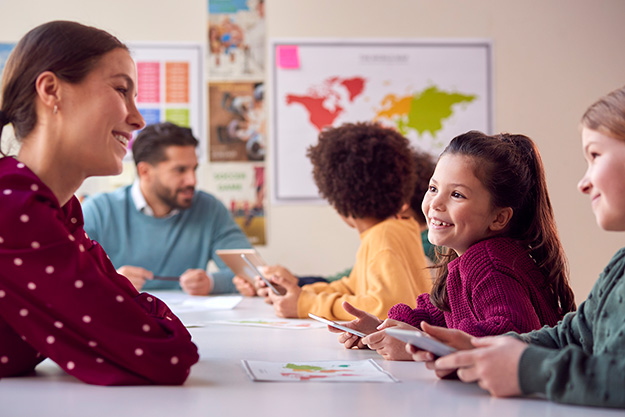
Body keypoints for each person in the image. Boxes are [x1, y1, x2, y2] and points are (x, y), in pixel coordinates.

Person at [0, 20, 198, 385]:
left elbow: (126, 317)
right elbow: (164, 354)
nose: (137, 120)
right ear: (51, 90)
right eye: (121, 90)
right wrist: (130, 308)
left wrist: (127, 308)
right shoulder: (12, 206)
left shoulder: (60, 208)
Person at [408, 86, 625, 408]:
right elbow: (571, 336)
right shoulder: (620, 264)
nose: (583, 182)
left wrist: (527, 368)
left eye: (595, 156)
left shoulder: (491, 260)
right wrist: (476, 349)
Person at [333, 130, 576, 361]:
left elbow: (509, 337)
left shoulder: (492, 264)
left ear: (499, 218)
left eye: (457, 194)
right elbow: (435, 315)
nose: (435, 203)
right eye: (433, 188)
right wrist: (382, 328)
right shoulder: (471, 260)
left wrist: (415, 346)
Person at [254, 122, 433, 320]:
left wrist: (306, 304)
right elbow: (352, 286)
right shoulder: (396, 229)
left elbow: (386, 308)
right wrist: (301, 293)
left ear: (338, 199)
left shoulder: (383, 237)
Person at [82, 121, 252, 295]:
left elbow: (252, 273)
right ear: (145, 172)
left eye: (194, 169)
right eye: (180, 170)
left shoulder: (210, 209)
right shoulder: (98, 212)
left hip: (190, 321)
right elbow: (65, 278)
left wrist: (211, 282)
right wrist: (110, 280)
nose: (192, 180)